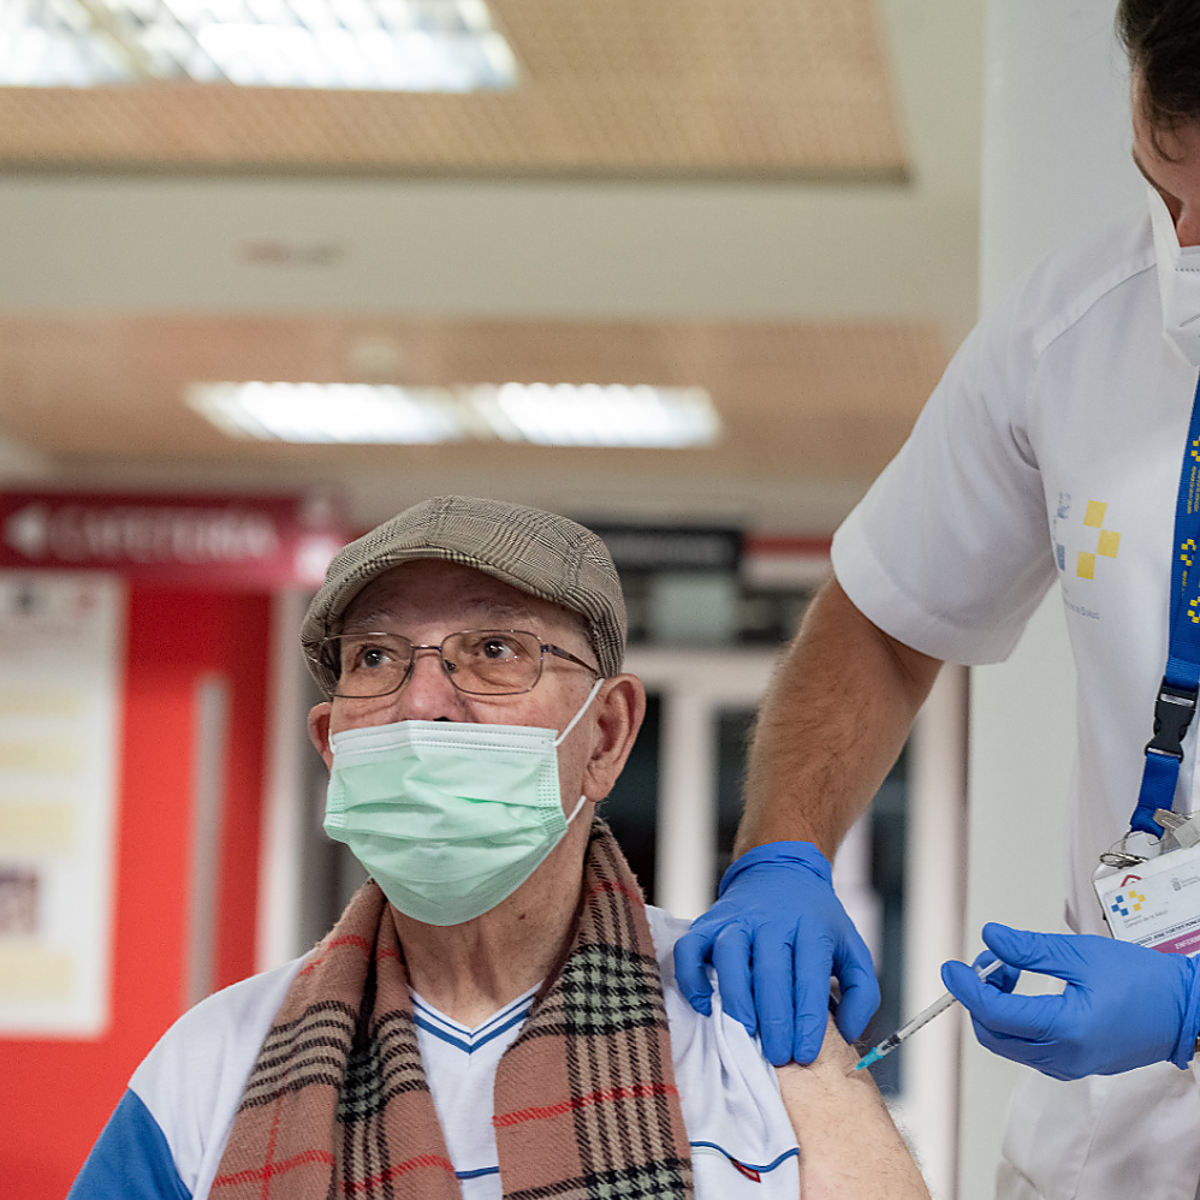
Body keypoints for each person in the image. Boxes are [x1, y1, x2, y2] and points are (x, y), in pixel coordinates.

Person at [673, 2, 1200, 1196]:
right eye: (1165, 192)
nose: (1187, 249)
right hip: (1103, 1159)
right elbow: (880, 617)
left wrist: (1191, 1001)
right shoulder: (1074, 324)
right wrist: (784, 855)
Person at [68, 495, 929, 1200]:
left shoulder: (749, 1032)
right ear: (333, 744)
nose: (425, 703)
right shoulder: (210, 1065)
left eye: (493, 650)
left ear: (606, 736)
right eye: (376, 655)